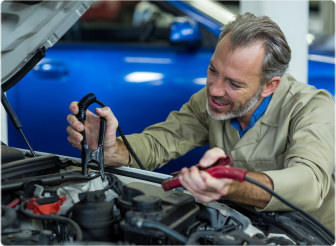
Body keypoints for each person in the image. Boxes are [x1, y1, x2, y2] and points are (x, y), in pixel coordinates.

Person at [66, 13, 335, 232]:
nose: (215, 89)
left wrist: (230, 184)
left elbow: (309, 183)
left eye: (233, 83)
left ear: (269, 86)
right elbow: (159, 142)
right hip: (241, 227)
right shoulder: (207, 101)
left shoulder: (313, 108)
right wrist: (114, 150)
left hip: (310, 235)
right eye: (213, 71)